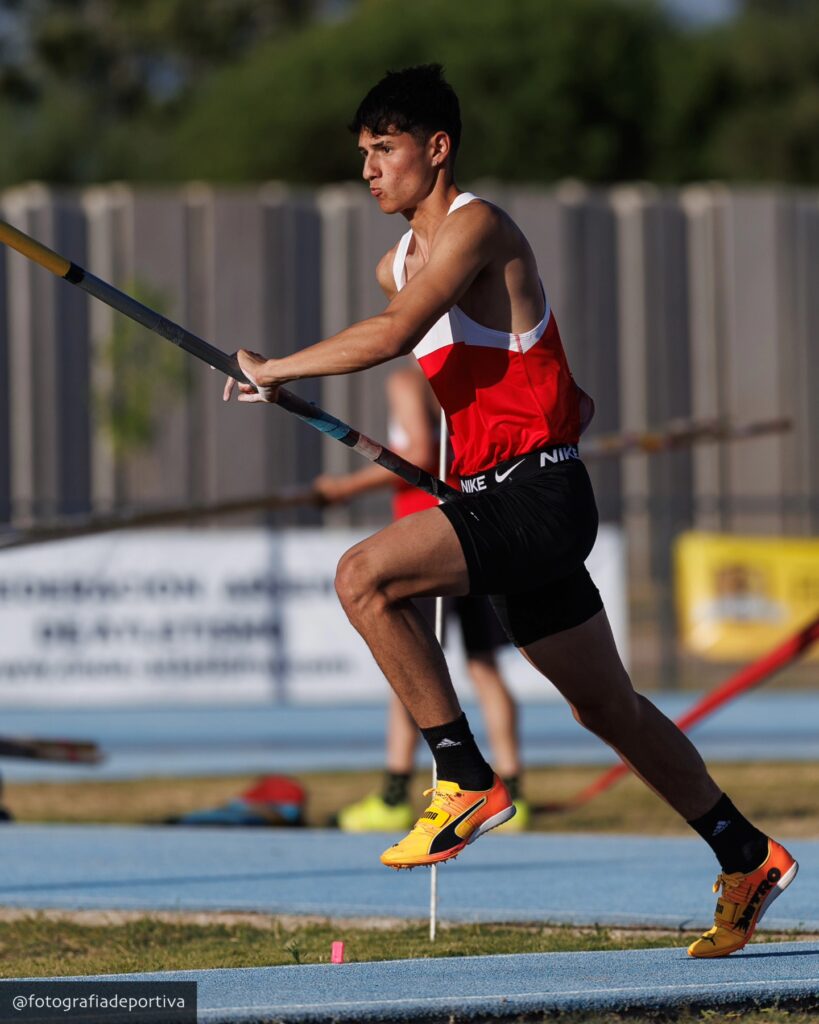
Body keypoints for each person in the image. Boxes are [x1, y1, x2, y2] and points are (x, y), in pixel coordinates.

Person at [223, 64, 797, 958]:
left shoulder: (477, 226)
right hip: (499, 492)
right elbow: (504, 385)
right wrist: (300, 395)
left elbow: (396, 336)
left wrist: (280, 366)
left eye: (385, 150)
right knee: (607, 709)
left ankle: (463, 777)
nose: (369, 169)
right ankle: (744, 851)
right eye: (363, 155)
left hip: (539, 497)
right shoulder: (396, 262)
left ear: (436, 149)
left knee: (362, 577)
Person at [312, 362, 529, 832]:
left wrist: (345, 488)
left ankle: (394, 795)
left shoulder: (409, 380)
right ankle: (515, 791)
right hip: (477, 525)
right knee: (483, 666)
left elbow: (419, 450)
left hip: (427, 538)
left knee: (410, 665)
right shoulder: (475, 374)